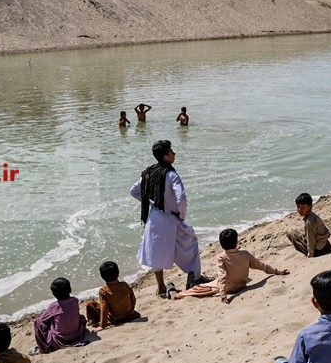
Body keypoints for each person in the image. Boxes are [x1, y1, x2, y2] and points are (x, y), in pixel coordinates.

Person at [130, 140, 208, 297]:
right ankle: (195, 277)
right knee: (190, 241)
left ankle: (160, 287)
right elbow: (182, 198)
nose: (174, 153)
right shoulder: (171, 175)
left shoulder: (148, 173)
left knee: (156, 253)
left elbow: (134, 191)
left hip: (154, 217)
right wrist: (181, 214)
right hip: (170, 218)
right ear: (166, 157)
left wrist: (152, 203)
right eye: (171, 151)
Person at [168, 228, 289, 303]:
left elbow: (223, 276)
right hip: (241, 285)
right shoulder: (245, 255)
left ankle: (172, 292)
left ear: (221, 244)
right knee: (202, 285)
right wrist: (278, 271)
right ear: (236, 242)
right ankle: (193, 284)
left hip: (228, 288)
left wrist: (223, 294)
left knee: (191, 291)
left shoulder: (221, 257)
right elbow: (262, 266)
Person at [31, 277, 88, 355]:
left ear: (54, 294)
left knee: (38, 322)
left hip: (61, 339)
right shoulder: (75, 301)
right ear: (70, 289)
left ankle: (43, 349)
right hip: (76, 333)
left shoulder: (54, 306)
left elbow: (43, 319)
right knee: (80, 317)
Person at [85, 261, 140, 331]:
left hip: (115, 319)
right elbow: (133, 300)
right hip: (129, 315)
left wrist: (102, 326)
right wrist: (130, 311)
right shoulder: (125, 285)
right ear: (118, 273)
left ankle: (94, 321)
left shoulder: (103, 291)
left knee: (90, 304)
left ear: (102, 276)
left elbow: (104, 308)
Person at [286, 192, 331, 258]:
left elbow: (311, 241)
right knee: (295, 233)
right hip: (326, 245)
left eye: (303, 207)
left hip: (320, 250)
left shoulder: (309, 221)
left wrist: (310, 255)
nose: (300, 210)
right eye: (298, 207)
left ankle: (308, 253)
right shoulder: (312, 215)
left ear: (310, 207)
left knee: (291, 234)